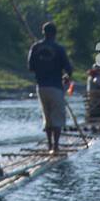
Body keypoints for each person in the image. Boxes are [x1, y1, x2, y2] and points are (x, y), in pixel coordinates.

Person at [27, 22, 73, 153]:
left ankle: (49, 145)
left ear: (43, 32)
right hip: (56, 86)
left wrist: (41, 65)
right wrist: (65, 77)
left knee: (47, 117)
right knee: (57, 117)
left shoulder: (35, 47)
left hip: (41, 87)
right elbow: (68, 69)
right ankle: (56, 147)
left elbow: (30, 67)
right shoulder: (59, 49)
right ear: (55, 34)